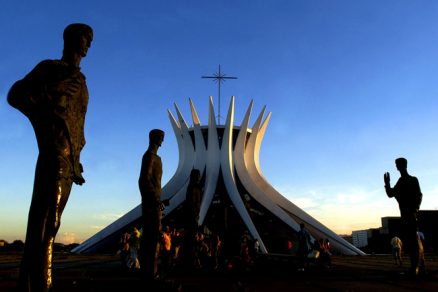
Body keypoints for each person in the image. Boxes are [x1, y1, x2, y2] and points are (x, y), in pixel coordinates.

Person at [7, 23, 93, 292]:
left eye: (90, 40)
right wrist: (49, 96)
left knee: (47, 225)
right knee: (48, 223)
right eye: (84, 38)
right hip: (53, 153)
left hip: (69, 161)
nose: (88, 43)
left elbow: (78, 124)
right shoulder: (50, 69)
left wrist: (77, 158)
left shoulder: (82, 84)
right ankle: (43, 285)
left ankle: (27, 283)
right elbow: (15, 95)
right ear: (70, 39)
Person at [384, 157, 425, 276]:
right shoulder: (401, 181)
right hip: (406, 216)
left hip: (410, 215)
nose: (396, 166)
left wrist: (415, 209)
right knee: (412, 240)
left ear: (402, 165)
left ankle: (416, 267)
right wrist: (387, 183)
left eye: (397, 164)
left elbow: (419, 195)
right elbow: (391, 194)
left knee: (413, 241)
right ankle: (419, 266)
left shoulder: (412, 180)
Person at [138, 129, 166, 281]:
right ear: (154, 138)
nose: (163, 140)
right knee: (152, 237)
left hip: (155, 202)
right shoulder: (149, 157)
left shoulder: (158, 158)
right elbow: (143, 180)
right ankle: (149, 273)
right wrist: (154, 200)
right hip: (151, 203)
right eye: (161, 137)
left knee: (154, 237)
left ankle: (151, 271)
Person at [181, 169, 202, 269]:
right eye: (197, 175)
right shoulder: (192, 188)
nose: (199, 177)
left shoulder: (196, 187)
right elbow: (191, 202)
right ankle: (189, 261)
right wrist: (194, 215)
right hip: (192, 217)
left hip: (194, 216)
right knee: (190, 240)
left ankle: (191, 260)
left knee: (192, 240)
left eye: (199, 175)